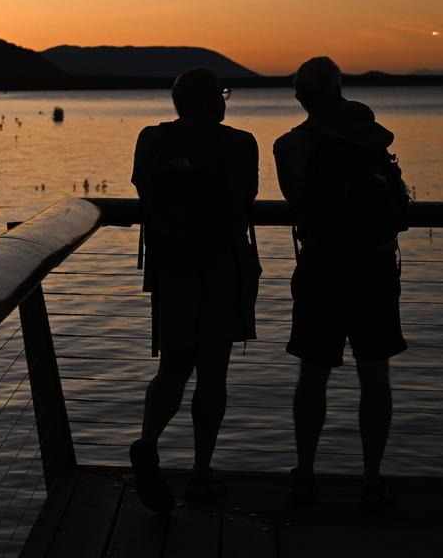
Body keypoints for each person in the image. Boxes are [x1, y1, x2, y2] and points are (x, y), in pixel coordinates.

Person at [273, 56, 408, 509]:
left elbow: (297, 199)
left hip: (322, 267)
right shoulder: (372, 136)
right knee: (375, 375)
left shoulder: (291, 145)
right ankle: (372, 478)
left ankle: (306, 473)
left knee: (313, 375)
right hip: (374, 266)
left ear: (299, 97)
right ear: (339, 89)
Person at [129, 69, 259, 513]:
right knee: (213, 374)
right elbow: (246, 195)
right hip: (223, 267)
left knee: (173, 367)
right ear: (215, 102)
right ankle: (201, 474)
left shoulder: (151, 140)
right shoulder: (241, 144)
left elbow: (142, 187)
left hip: (172, 269)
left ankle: (148, 443)